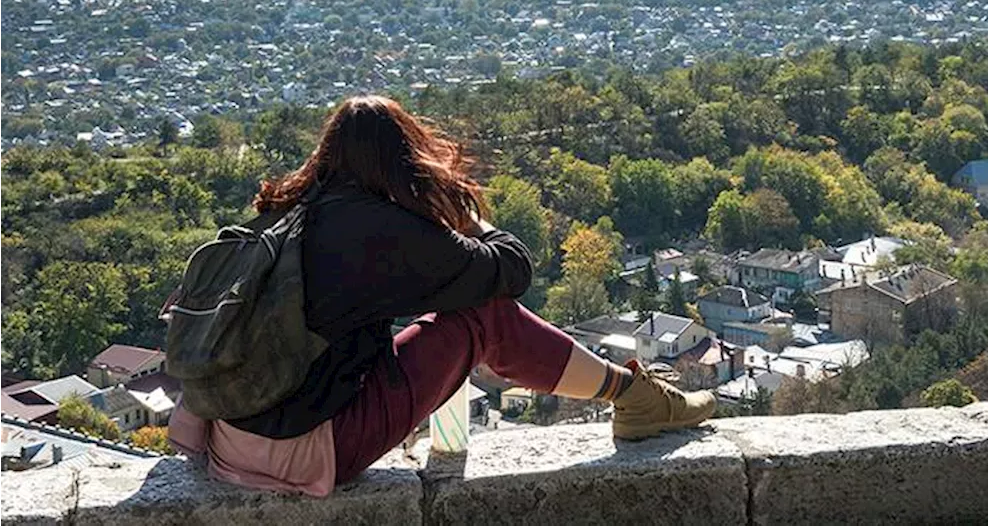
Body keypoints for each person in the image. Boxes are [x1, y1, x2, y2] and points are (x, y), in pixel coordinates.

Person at [168, 95, 715, 497]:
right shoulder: (375, 226)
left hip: (226, 439)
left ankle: (634, 396)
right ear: (400, 159)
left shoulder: (287, 211)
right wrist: (468, 221)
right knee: (482, 315)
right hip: (306, 454)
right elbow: (511, 269)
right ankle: (634, 397)